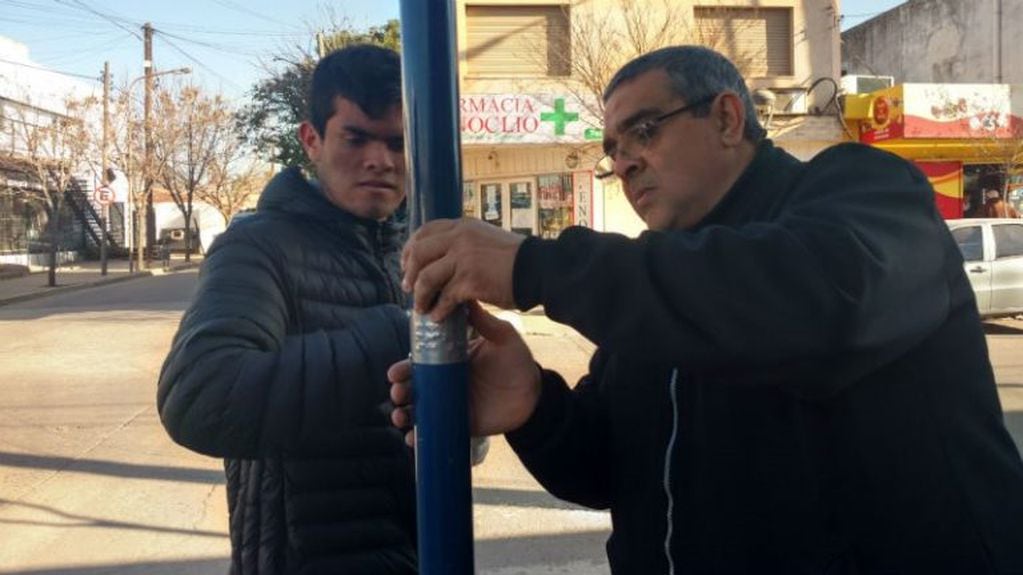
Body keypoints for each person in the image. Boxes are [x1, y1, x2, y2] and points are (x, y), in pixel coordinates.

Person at [390, 46, 1023, 573]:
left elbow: (820, 304)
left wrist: (534, 266)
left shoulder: (865, 192)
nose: (625, 161)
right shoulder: (660, 283)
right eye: (612, 150)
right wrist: (531, 404)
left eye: (643, 130)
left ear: (726, 118)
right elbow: (612, 474)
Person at [158, 45, 418, 574]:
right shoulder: (258, 246)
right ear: (311, 140)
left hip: (415, 551)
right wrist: (388, 338)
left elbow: (463, 442)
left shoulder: (415, 246)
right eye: (357, 137)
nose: (380, 160)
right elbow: (199, 397)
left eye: (397, 142)